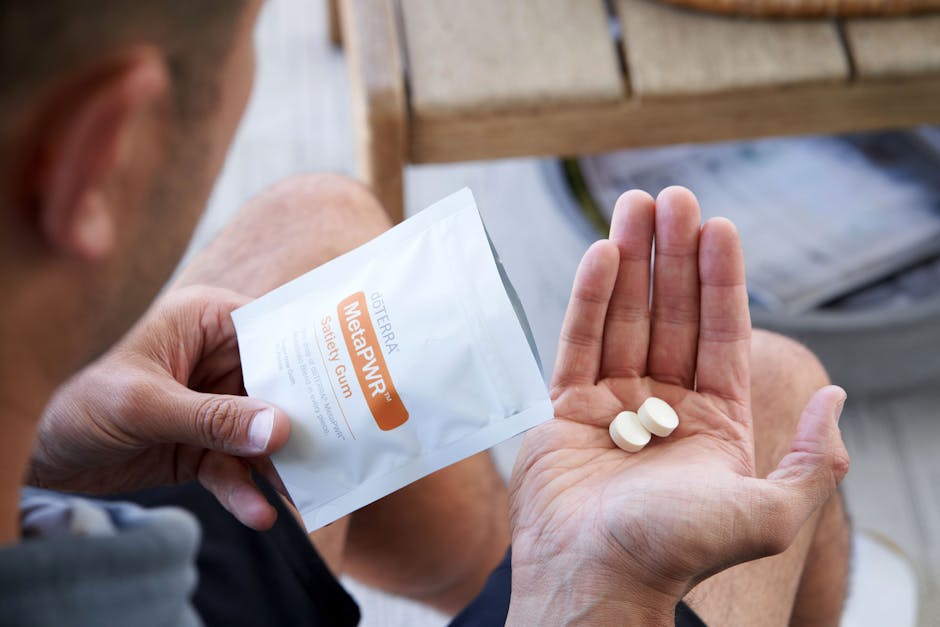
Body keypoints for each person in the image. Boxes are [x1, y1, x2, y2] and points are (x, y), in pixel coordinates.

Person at [0, 1, 851, 625]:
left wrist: (38, 434)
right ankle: (526, 580)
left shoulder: (55, 458)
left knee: (318, 226)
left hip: (44, 523)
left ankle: (497, 577)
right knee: (772, 387)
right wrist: (598, 592)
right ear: (104, 154)